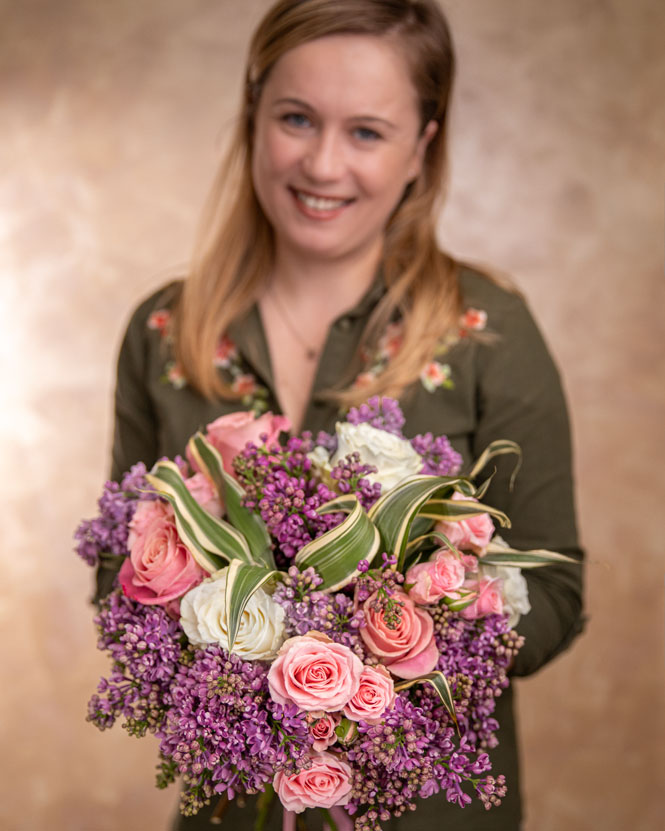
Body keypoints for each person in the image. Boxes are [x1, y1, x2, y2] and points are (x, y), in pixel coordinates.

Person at [103, 1, 585, 829]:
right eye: (296, 118)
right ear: (253, 113)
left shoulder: (486, 332)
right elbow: (117, 572)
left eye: (365, 131)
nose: (322, 164)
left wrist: (390, 647)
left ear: (420, 148)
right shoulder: (164, 331)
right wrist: (237, 659)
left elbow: (556, 591)